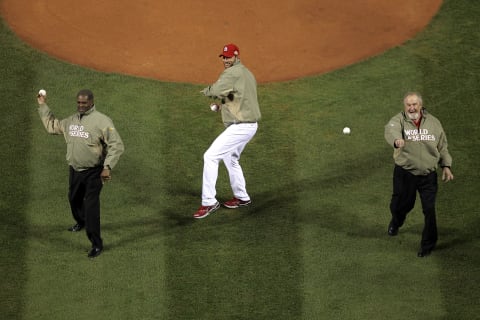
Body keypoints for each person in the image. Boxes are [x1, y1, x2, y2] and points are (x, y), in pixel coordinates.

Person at [36, 89, 124, 258]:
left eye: (84, 103)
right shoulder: (71, 121)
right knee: (73, 199)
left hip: (94, 172)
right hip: (75, 170)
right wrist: (42, 105)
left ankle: (96, 244)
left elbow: (117, 145)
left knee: (91, 207)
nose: (81, 106)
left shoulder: (102, 121)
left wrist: (107, 167)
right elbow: (52, 125)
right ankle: (80, 222)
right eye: (78, 102)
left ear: (91, 102)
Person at [194, 43, 262, 219]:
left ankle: (209, 202)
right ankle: (242, 197)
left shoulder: (232, 72)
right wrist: (221, 105)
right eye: (223, 57)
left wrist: (208, 92)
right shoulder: (247, 73)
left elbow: (216, 90)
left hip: (241, 127)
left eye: (229, 57)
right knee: (230, 158)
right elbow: (238, 96)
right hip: (249, 125)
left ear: (236, 56)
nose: (225, 60)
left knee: (210, 156)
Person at [384, 92, 454, 257]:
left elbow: (442, 145)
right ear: (404, 106)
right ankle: (397, 221)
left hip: (428, 176)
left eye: (414, 104)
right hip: (405, 174)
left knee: (429, 209)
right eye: (408, 105)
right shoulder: (399, 120)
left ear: (421, 105)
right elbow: (390, 130)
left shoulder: (434, 123)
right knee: (401, 205)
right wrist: (396, 140)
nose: (411, 108)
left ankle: (428, 244)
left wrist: (446, 165)